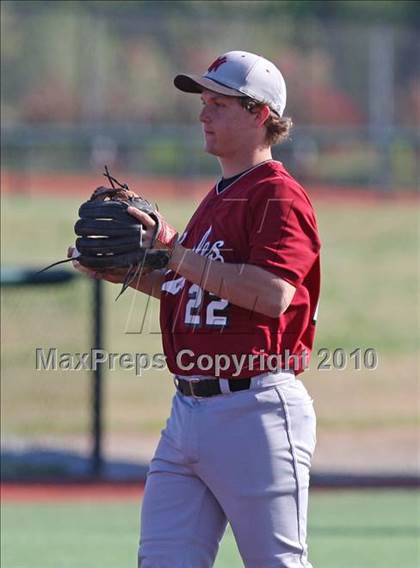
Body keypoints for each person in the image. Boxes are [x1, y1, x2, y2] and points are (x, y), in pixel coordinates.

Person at [73, 50, 321, 568]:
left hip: (255, 410)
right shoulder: (215, 197)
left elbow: (273, 294)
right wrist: (127, 271)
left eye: (219, 103)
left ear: (260, 114)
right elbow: (190, 289)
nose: (203, 113)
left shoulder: (278, 195)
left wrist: (174, 252)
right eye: (203, 101)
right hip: (187, 412)